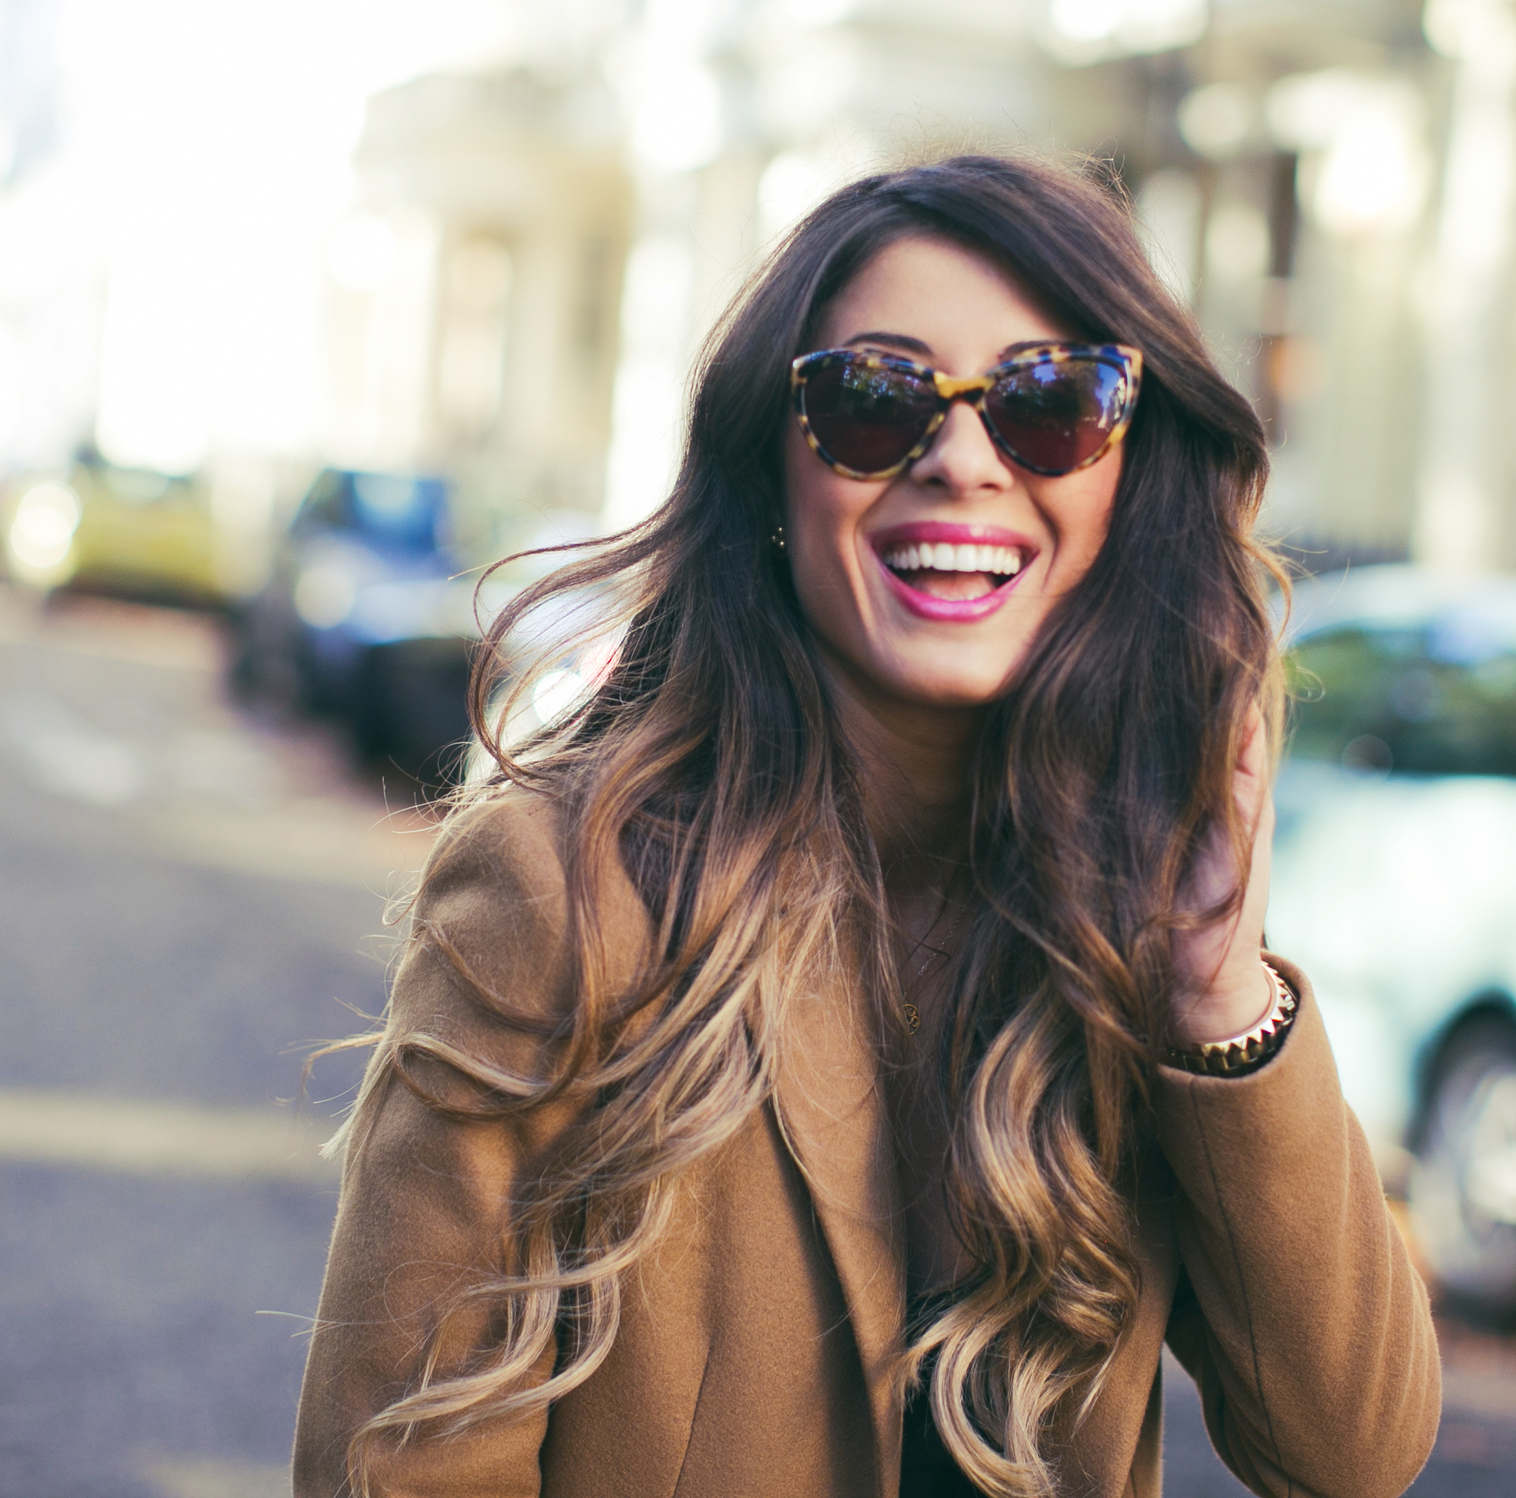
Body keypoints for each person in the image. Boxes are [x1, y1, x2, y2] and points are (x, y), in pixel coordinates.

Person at [292, 152, 1440, 1498]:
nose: (962, 461)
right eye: (873, 401)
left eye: (1052, 402)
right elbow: (403, 1465)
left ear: (1130, 481)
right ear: (772, 477)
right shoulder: (563, 888)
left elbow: (1351, 1452)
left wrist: (1216, 996)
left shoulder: (1128, 925)